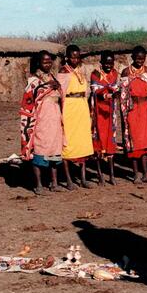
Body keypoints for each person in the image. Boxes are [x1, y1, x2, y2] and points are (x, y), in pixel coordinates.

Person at [20, 50, 64, 195]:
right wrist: (47, 87)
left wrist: (56, 87)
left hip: (55, 118)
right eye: (45, 61)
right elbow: (29, 99)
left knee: (54, 149)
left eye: (49, 61)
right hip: (41, 120)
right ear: (39, 62)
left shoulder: (52, 77)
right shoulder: (33, 80)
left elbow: (59, 95)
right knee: (40, 149)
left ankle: (54, 182)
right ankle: (38, 184)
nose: (48, 64)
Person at [57, 45, 94, 189]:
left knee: (83, 143)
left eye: (78, 57)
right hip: (69, 109)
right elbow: (60, 95)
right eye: (73, 56)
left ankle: (83, 179)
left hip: (82, 108)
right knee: (68, 144)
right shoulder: (63, 71)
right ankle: (69, 180)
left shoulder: (80, 70)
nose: (75, 59)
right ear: (67, 57)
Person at [120, 46, 147, 184]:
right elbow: (123, 94)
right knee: (134, 142)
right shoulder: (126, 72)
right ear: (132, 57)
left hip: (145, 108)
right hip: (132, 109)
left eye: (142, 58)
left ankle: (145, 174)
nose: (140, 61)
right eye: (137, 58)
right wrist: (124, 112)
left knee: (145, 143)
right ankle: (136, 174)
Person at [90, 52, 120, 185]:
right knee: (98, 141)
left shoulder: (115, 74)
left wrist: (113, 92)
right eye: (106, 62)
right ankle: (100, 175)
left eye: (111, 62)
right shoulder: (95, 74)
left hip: (110, 112)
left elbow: (117, 88)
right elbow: (96, 92)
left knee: (110, 142)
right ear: (101, 62)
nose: (109, 65)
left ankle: (112, 176)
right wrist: (109, 94)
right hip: (98, 112)